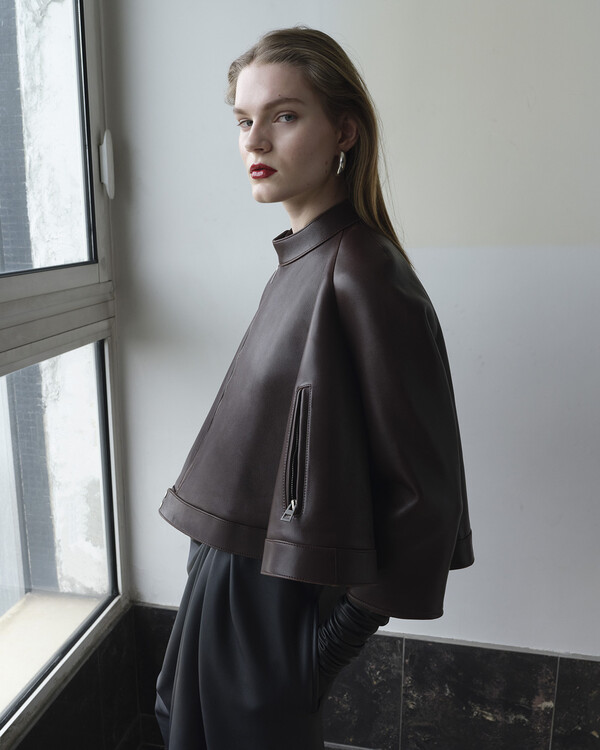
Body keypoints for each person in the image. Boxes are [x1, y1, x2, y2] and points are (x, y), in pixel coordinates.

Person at [155, 26, 474, 750]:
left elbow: (426, 492)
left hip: (267, 600)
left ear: (344, 131)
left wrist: (332, 644)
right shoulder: (305, 261)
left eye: (285, 115)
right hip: (228, 579)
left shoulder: (362, 271)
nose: (256, 140)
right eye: (244, 120)